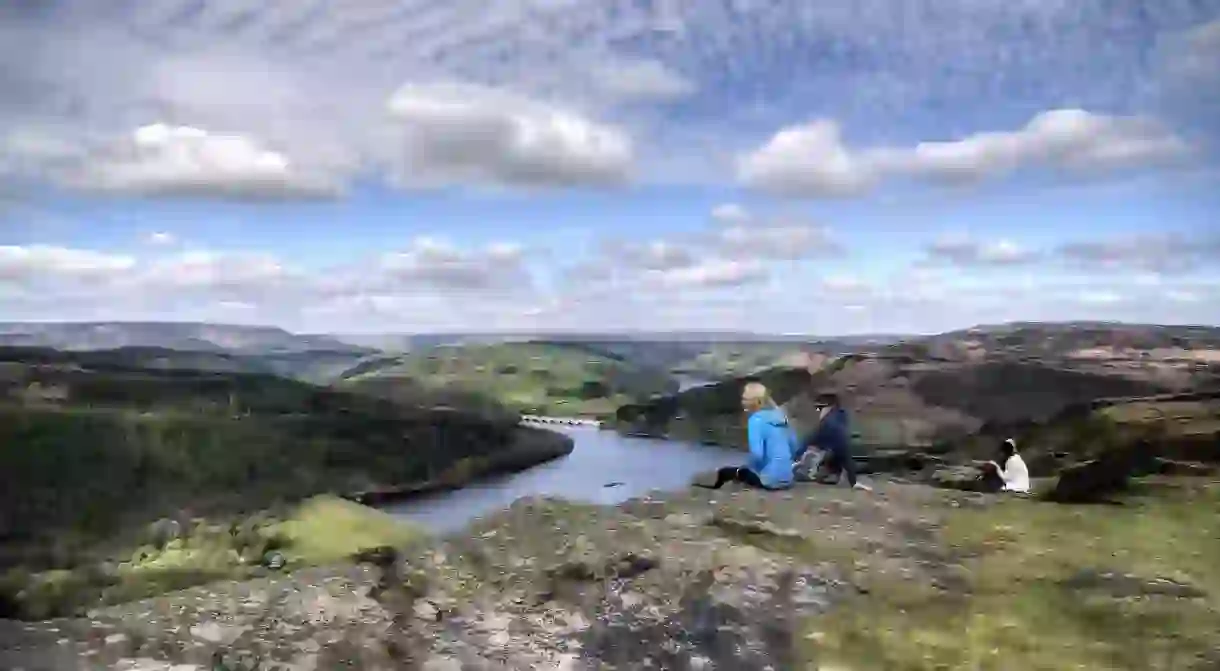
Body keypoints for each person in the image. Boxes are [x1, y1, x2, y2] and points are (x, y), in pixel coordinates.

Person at [695, 381, 797, 490]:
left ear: (755, 402)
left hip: (769, 481)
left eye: (745, 399)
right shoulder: (781, 417)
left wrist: (752, 469)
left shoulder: (756, 420)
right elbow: (794, 446)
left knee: (727, 472)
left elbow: (757, 455)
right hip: (788, 479)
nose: (743, 402)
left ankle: (708, 484)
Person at [804, 392, 871, 492]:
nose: (818, 411)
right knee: (845, 459)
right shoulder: (842, 415)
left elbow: (814, 436)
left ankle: (838, 475)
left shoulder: (827, 420)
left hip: (834, 447)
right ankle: (850, 480)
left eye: (819, 408)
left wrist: (801, 451)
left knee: (834, 456)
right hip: (840, 446)